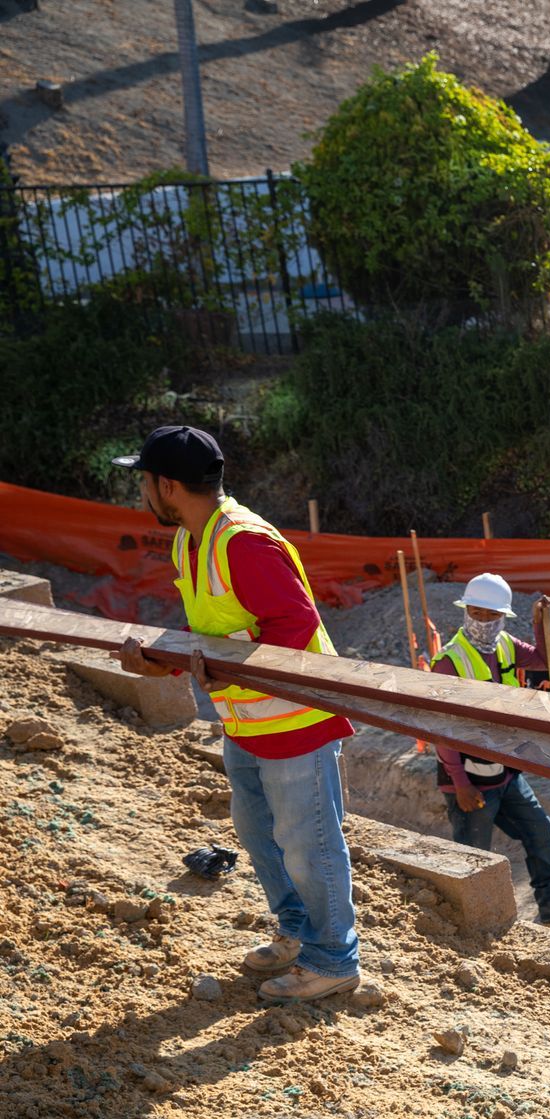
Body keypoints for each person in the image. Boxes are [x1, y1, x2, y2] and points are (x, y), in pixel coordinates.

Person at [111, 425, 361, 1001]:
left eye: (144, 482)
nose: (141, 494)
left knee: (309, 843)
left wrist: (214, 668)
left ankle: (333, 960)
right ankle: (300, 933)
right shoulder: (190, 541)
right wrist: (164, 665)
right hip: (245, 719)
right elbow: (213, 634)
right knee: (258, 832)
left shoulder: (245, 542)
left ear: (167, 485)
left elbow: (294, 629)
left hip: (295, 719)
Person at [430, 573, 550, 936]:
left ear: (503, 617)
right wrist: (460, 782)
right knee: (475, 858)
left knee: (539, 830)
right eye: (477, 612)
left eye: (492, 615)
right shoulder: (449, 661)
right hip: (469, 779)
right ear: (465, 610)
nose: (484, 621)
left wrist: (540, 625)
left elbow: (543, 659)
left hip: (504, 771)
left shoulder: (504, 645)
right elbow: (442, 729)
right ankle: (474, 929)